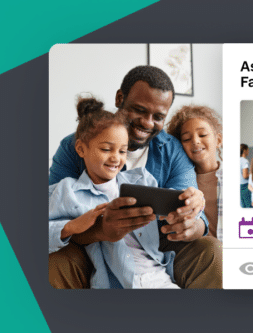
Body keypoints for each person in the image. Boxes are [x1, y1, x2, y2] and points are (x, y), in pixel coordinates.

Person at [48, 65, 221, 289]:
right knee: (55, 260)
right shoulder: (78, 144)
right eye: (139, 110)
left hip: (156, 246)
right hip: (92, 245)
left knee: (211, 251)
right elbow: (52, 218)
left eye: (158, 116)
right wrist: (101, 230)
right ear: (120, 97)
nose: (148, 123)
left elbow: (198, 220)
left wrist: (191, 223)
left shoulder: (172, 151)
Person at [50, 97, 180, 288]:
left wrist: (191, 200)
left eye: (122, 151)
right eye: (105, 149)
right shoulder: (68, 190)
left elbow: (172, 208)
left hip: (160, 276)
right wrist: (71, 226)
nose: (115, 158)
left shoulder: (143, 180)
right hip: (120, 282)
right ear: (80, 149)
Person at [167, 105, 223, 241]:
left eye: (203, 134)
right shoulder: (181, 183)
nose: (195, 141)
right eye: (186, 139)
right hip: (206, 255)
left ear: (218, 140)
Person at [240, 144, 251, 208]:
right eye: (247, 150)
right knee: (249, 206)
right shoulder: (244, 161)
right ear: (244, 151)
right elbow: (245, 176)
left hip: (239, 186)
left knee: (243, 205)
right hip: (245, 186)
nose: (248, 151)